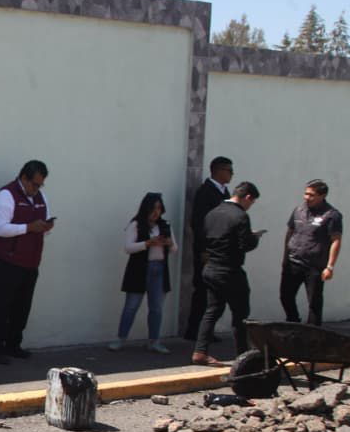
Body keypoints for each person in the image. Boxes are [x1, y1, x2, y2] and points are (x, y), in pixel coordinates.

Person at [0, 160, 55, 364]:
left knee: (22, 307)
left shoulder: (41, 197)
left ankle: (14, 345)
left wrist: (45, 227)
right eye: (34, 184)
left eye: (40, 185)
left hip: (31, 261)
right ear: (23, 178)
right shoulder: (6, 195)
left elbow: (45, 222)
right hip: (8, 261)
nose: (37, 189)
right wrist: (28, 227)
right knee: (3, 306)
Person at [191, 182, 263, 366]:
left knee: (212, 311)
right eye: (251, 202)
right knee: (240, 315)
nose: (250, 206)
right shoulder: (240, 216)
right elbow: (244, 245)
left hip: (211, 267)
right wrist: (254, 238)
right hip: (230, 270)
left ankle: (200, 351)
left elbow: (204, 236)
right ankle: (242, 356)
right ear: (247, 197)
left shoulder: (213, 213)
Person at [109, 192, 177, 353]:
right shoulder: (136, 224)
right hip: (139, 269)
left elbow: (175, 248)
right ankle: (120, 339)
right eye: (153, 208)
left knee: (156, 308)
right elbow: (128, 247)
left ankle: (154, 341)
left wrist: (168, 243)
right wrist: (147, 243)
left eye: (159, 209)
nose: (156, 212)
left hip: (159, 269)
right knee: (131, 306)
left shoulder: (165, 225)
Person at [183, 156, 233, 341]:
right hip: (208, 251)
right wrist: (203, 249)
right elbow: (198, 222)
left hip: (220, 250)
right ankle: (194, 330)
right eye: (228, 170)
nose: (231, 174)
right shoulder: (206, 192)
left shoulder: (224, 192)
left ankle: (206, 330)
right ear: (218, 170)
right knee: (203, 290)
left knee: (215, 293)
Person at [280, 179, 343, 327]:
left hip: (315, 266)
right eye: (305, 194)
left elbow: (336, 240)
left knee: (314, 302)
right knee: (285, 296)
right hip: (293, 261)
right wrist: (285, 258)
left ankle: (313, 332)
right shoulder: (298, 210)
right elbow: (290, 233)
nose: (306, 197)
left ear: (322, 195)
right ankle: (293, 322)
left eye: (311, 195)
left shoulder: (332, 215)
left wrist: (330, 267)